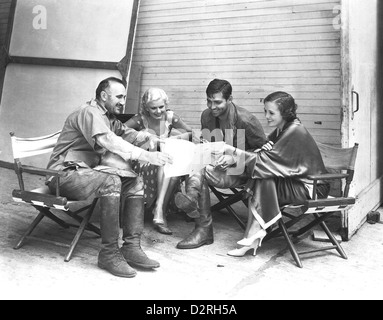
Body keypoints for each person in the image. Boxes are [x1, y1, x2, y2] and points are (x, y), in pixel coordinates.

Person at [46, 77, 173, 278]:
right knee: (111, 180)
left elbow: (125, 133)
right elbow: (109, 140)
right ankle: (108, 253)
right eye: (119, 96)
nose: (123, 101)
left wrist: (149, 137)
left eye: (124, 96)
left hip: (86, 173)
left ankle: (131, 246)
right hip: (63, 175)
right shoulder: (89, 112)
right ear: (104, 96)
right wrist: (146, 155)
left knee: (134, 180)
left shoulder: (108, 117)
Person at [223, 91, 330, 257]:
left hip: (313, 187)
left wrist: (233, 151)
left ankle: (254, 234)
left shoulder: (294, 130)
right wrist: (261, 151)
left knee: (263, 176)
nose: (266, 116)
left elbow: (266, 161)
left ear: (285, 113)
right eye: (265, 111)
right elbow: (267, 158)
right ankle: (253, 234)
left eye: (271, 112)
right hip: (296, 182)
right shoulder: (282, 129)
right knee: (264, 177)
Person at [174, 79, 268, 249]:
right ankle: (192, 199)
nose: (212, 106)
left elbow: (265, 155)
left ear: (230, 99)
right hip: (216, 167)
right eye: (208, 101)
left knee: (198, 168)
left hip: (242, 173)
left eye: (217, 102)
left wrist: (234, 158)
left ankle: (200, 220)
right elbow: (208, 146)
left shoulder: (247, 120)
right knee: (194, 160)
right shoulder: (206, 116)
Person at [125, 88, 193, 235]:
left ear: (166, 104)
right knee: (168, 164)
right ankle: (160, 211)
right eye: (153, 108)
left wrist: (175, 139)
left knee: (168, 163)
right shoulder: (139, 119)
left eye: (161, 107)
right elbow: (120, 132)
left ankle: (159, 208)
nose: (158, 111)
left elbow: (190, 132)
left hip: (163, 160)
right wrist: (141, 135)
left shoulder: (170, 117)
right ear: (146, 107)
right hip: (143, 162)